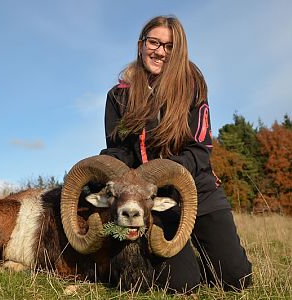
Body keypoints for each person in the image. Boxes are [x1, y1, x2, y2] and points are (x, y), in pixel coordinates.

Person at [100, 15, 252, 293]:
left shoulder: (192, 86)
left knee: (236, 281)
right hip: (154, 199)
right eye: (154, 42)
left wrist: (163, 170)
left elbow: (200, 150)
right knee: (183, 285)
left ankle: (213, 258)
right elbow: (118, 149)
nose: (160, 51)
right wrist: (106, 167)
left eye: (169, 46)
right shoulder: (118, 95)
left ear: (177, 51)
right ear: (140, 44)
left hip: (199, 191)